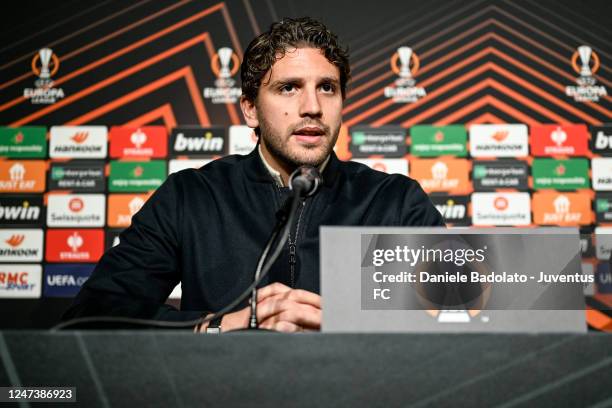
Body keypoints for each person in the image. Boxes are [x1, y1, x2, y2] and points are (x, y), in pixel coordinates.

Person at [62, 17, 444, 332]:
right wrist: (217, 327)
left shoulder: (394, 200)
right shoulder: (191, 196)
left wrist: (346, 324)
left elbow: (470, 308)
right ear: (250, 109)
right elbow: (92, 315)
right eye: (289, 88)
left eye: (327, 88)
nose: (311, 106)